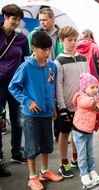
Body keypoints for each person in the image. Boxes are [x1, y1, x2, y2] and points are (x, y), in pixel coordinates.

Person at [8, 31, 63, 190]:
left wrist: (53, 107)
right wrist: (28, 101)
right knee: (32, 146)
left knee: (46, 144)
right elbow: (13, 87)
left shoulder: (52, 65)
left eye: (49, 49)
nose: (47, 53)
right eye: (43, 49)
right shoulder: (25, 66)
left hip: (47, 112)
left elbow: (51, 87)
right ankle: (32, 177)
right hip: (31, 115)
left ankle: (44, 172)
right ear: (34, 47)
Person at [54, 26, 89, 178]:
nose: (73, 43)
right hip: (66, 104)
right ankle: (63, 162)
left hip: (81, 104)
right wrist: (62, 107)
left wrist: (90, 98)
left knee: (78, 133)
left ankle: (76, 158)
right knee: (64, 133)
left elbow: (87, 80)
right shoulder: (59, 61)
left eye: (75, 40)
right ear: (61, 41)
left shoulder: (83, 58)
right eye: (69, 40)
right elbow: (58, 86)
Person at [0, 4, 29, 177]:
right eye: (13, 19)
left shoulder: (21, 38)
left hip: (16, 85)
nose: (16, 22)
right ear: (4, 16)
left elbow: (26, 61)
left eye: (18, 19)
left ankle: (17, 152)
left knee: (17, 120)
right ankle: (0, 158)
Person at [28, 7, 64, 143]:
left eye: (44, 19)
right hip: (42, 71)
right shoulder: (34, 34)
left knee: (58, 100)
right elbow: (29, 54)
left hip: (58, 70)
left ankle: (58, 133)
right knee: (45, 98)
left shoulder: (61, 34)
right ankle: (45, 134)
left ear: (52, 19)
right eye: (40, 20)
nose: (42, 22)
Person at [72, 73, 99, 188]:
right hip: (80, 131)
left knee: (90, 153)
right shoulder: (81, 96)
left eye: (96, 87)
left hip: (89, 131)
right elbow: (84, 103)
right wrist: (93, 101)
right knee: (82, 154)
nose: (95, 89)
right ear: (84, 88)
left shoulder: (96, 98)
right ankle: (84, 174)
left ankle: (92, 171)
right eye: (92, 87)